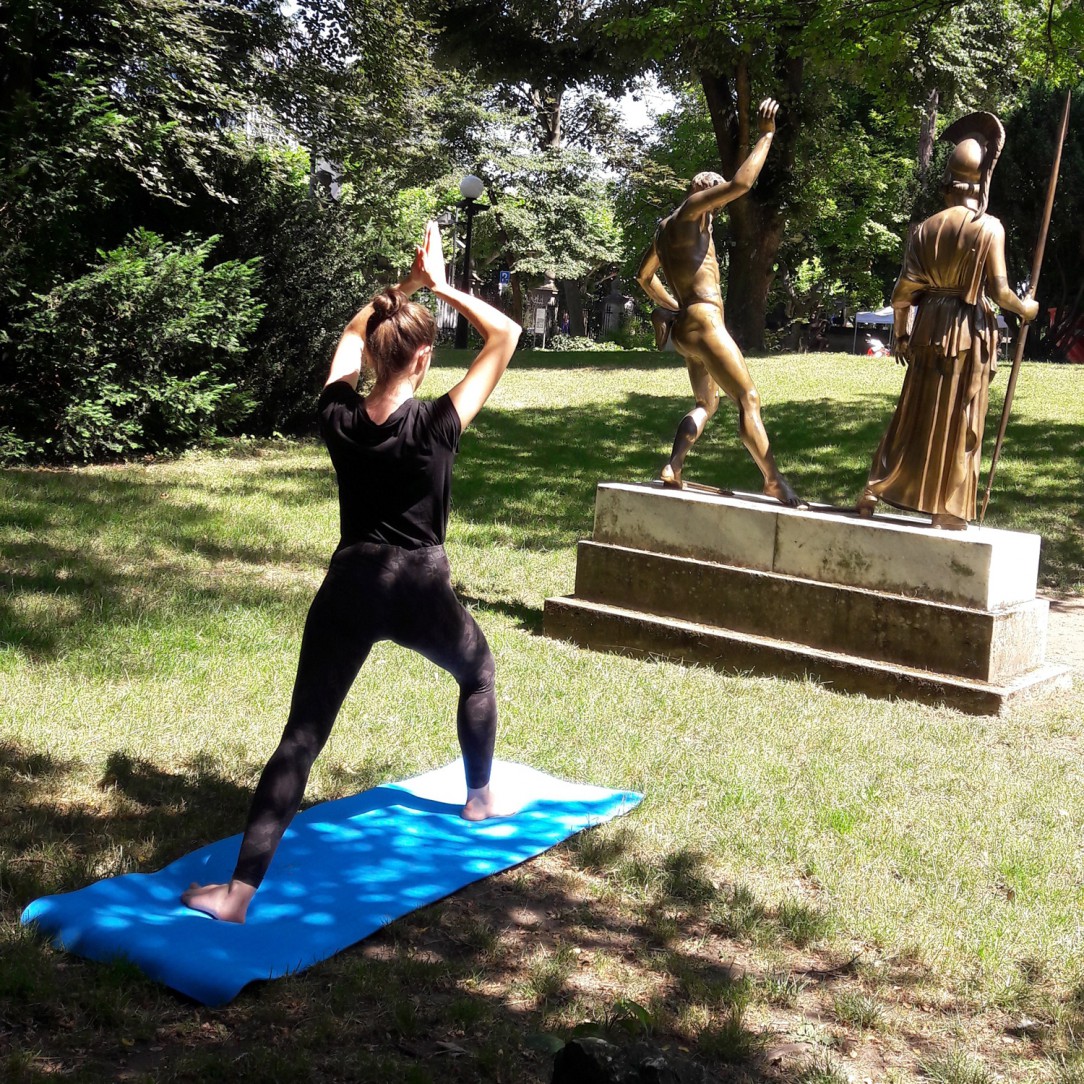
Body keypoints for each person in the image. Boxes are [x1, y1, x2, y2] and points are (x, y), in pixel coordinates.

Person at [181, 221, 522, 923]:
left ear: (373, 353)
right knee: (478, 674)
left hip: (352, 584)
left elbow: (349, 333)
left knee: (301, 738)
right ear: (424, 360)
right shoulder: (437, 424)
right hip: (422, 585)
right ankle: (480, 798)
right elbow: (507, 335)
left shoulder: (337, 415)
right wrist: (442, 285)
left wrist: (402, 291)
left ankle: (237, 894)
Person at [856, 112, 1039, 529]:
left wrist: (900, 333)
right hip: (966, 331)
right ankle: (947, 509)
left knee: (914, 415)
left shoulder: (924, 229)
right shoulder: (989, 228)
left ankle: (874, 488)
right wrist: (1026, 309)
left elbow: (902, 293)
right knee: (959, 418)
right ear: (981, 183)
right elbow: (1000, 293)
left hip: (928, 330)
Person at [636, 98, 800, 505]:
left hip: (685, 328)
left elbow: (643, 277)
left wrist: (673, 306)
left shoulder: (662, 231)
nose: (718, 210)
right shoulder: (691, 211)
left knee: (706, 402)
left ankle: (674, 465)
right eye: (716, 201)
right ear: (705, 194)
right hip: (706, 323)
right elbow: (742, 184)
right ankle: (772, 479)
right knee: (748, 399)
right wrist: (765, 137)